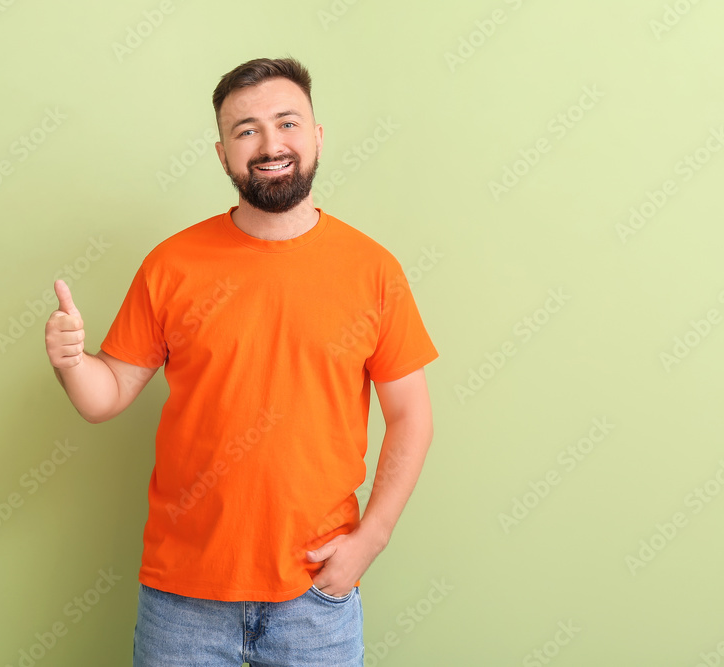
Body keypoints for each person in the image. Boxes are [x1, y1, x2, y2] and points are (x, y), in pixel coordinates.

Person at [44, 56, 438, 666]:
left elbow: (411, 415)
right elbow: (107, 394)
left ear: (317, 136)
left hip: (316, 592)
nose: (270, 144)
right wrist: (72, 362)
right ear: (224, 153)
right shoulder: (172, 264)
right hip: (183, 597)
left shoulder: (372, 270)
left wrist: (372, 538)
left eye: (287, 123)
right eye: (246, 130)